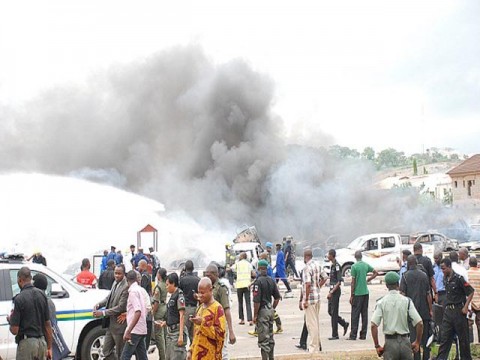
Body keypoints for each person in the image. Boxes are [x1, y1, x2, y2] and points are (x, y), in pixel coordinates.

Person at [371, 271, 423, 360]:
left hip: (390, 343)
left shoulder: (381, 302)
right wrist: (417, 342)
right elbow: (420, 323)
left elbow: (373, 325)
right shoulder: (407, 301)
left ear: (386, 286)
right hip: (405, 342)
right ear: (398, 284)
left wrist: (377, 345)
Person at [7, 267, 53, 359]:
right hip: (41, 343)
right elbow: (48, 325)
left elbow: (14, 330)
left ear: (20, 280)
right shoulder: (42, 295)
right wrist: (49, 348)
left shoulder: (19, 299)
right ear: (30, 279)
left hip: (26, 345)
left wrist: (11, 321)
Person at [436, 257, 474, 360]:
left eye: (444, 268)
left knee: (463, 341)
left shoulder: (459, 279)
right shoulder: (445, 279)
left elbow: (471, 291)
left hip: (459, 312)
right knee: (445, 340)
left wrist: (466, 307)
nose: (442, 271)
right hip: (448, 312)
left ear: (449, 267)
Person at [400, 255, 432, 360]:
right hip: (424, 311)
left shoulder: (405, 276)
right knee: (426, 338)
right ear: (417, 263)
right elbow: (428, 294)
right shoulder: (424, 275)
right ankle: (426, 357)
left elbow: (402, 295)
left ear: (408, 264)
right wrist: (431, 310)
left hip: (411, 313)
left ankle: (416, 357)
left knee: (414, 339)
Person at [93, 264, 129, 360]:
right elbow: (109, 298)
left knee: (120, 353)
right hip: (111, 325)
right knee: (106, 351)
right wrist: (99, 305)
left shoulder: (125, 287)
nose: (117, 275)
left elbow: (121, 307)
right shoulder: (115, 283)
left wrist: (103, 313)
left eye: (119, 274)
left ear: (124, 274)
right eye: (115, 273)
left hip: (119, 326)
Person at [187, 277, 226, 360]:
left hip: (211, 356)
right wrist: (190, 351)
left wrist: (203, 323)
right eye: (198, 292)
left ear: (210, 290)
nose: (200, 295)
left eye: (202, 293)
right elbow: (196, 334)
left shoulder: (217, 308)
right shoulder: (200, 308)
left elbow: (220, 335)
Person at [33, 273, 70, 360]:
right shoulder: (48, 301)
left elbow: (49, 325)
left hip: (44, 342)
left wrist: (49, 346)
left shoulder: (42, 301)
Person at [204, 263, 236, 360]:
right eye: (206, 275)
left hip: (220, 324)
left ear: (216, 274)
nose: (207, 277)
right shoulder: (207, 287)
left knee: (222, 350)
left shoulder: (221, 288)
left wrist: (230, 331)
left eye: (209, 275)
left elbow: (226, 309)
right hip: (209, 324)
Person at [252, 259, 281, 360]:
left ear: (259, 269)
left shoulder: (258, 282)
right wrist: (272, 308)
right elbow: (277, 298)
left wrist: (255, 315)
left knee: (263, 340)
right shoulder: (271, 280)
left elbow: (257, 301)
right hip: (270, 310)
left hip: (262, 311)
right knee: (270, 337)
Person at [300, 249, 327, 352]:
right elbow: (325, 277)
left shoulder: (307, 268)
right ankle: (318, 345)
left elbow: (307, 284)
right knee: (316, 322)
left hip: (310, 299)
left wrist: (305, 299)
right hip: (317, 297)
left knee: (311, 324)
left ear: (305, 256)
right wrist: (318, 287)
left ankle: (313, 348)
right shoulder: (317, 264)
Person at [348, 250, 378, 341]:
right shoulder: (365, 265)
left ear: (355, 257)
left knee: (355, 315)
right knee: (364, 314)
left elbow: (353, 282)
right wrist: (369, 279)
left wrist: (351, 295)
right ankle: (363, 334)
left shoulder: (354, 267)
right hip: (365, 293)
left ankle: (353, 335)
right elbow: (375, 272)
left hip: (357, 293)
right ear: (361, 257)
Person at [156, 272, 187, 360]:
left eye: (167, 285)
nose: (166, 287)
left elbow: (181, 316)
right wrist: (166, 323)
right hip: (170, 332)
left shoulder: (179, 296)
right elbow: (174, 315)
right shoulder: (173, 296)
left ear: (173, 283)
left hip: (177, 333)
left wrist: (180, 335)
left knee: (176, 356)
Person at [121, 270, 148, 360]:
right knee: (142, 356)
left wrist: (128, 330)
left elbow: (138, 311)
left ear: (126, 279)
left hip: (135, 330)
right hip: (141, 328)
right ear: (136, 279)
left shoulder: (133, 292)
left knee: (125, 357)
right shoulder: (140, 290)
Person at [327, 249, 349, 340]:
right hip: (331, 291)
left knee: (334, 312)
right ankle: (344, 323)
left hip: (335, 292)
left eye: (328, 254)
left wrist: (332, 292)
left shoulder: (337, 266)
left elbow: (339, 282)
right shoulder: (332, 265)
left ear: (332, 255)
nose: (327, 256)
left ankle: (335, 334)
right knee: (330, 311)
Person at [179, 260, 200, 345]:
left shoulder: (182, 280)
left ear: (185, 268)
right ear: (193, 268)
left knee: (184, 332)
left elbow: (179, 294)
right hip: (196, 308)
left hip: (185, 309)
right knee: (193, 335)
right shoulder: (198, 280)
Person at [233, 252, 254, 326]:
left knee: (240, 303)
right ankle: (250, 320)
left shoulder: (238, 263)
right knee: (248, 302)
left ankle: (242, 319)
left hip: (239, 285)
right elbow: (253, 273)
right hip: (247, 285)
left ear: (242, 257)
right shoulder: (249, 264)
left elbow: (232, 269)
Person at [152, 268, 168, 360]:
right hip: (165, 308)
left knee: (158, 336)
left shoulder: (158, 287)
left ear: (159, 275)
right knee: (165, 335)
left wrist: (153, 313)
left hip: (159, 310)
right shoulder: (166, 284)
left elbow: (156, 302)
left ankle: (162, 357)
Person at [138, 260, 153, 351]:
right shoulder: (148, 275)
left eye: (139, 266)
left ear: (142, 266)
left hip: (144, 303)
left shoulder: (143, 276)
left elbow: (142, 291)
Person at [467, 256, 480, 343]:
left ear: (469, 264)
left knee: (469, 323)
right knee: (479, 324)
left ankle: (470, 342)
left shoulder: (466, 273)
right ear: (477, 264)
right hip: (479, 301)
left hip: (469, 302)